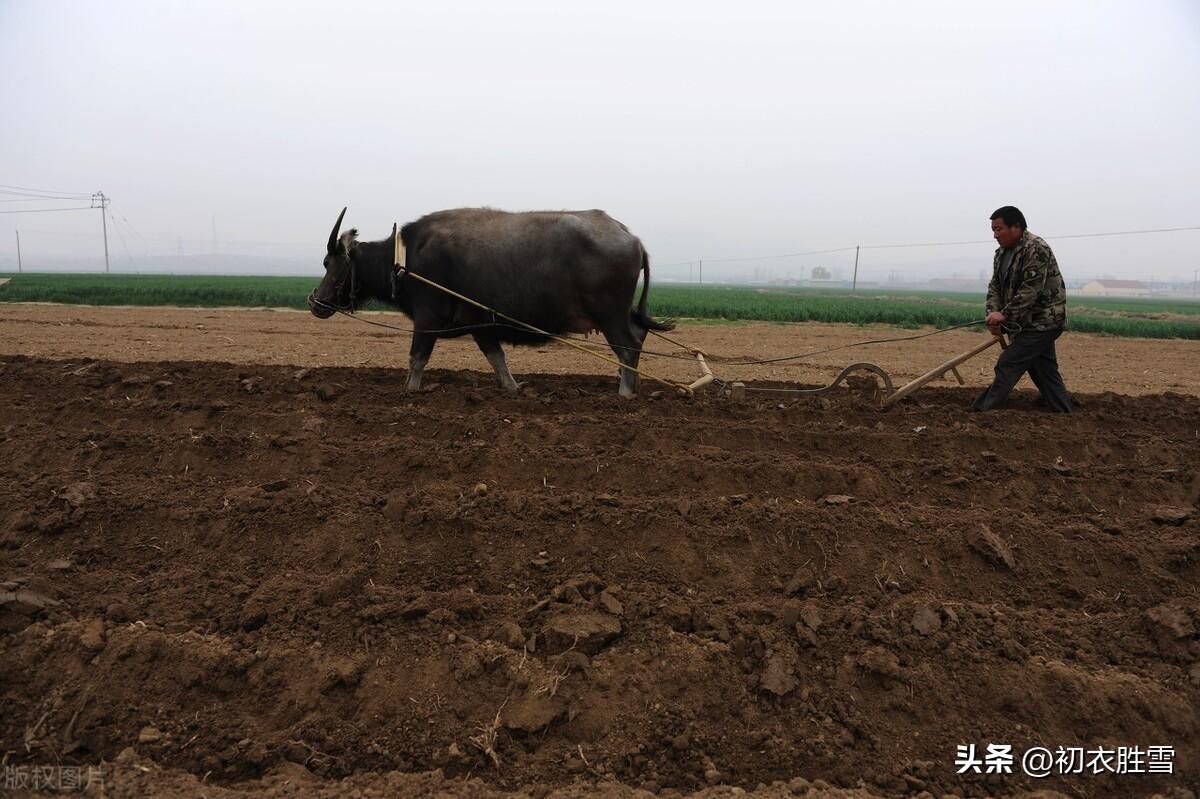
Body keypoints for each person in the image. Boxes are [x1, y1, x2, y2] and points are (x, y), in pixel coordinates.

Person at [972, 206, 1072, 412]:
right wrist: (992, 313)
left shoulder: (1036, 248)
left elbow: (1030, 291)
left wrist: (1005, 315)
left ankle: (984, 410)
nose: (995, 235)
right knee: (1043, 370)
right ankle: (1063, 410)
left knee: (1008, 363)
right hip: (1023, 322)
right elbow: (995, 286)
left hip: (1043, 321)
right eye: (993, 229)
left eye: (999, 229)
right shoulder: (1001, 254)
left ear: (1016, 226)